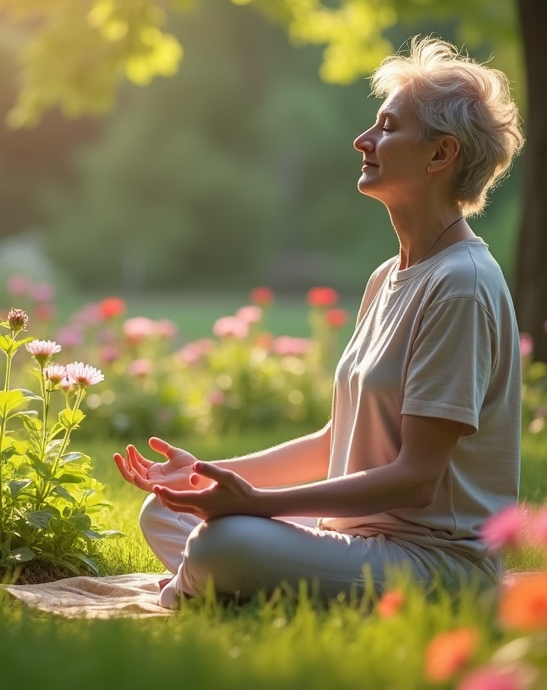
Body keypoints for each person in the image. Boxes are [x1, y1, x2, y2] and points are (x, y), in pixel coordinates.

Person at [114, 36, 525, 608]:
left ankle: (201, 589)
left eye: (387, 126)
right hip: (354, 540)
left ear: (440, 155)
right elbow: (339, 440)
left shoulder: (461, 286)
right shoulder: (389, 276)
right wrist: (209, 475)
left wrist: (253, 506)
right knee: (165, 509)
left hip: (433, 566)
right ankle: (234, 584)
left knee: (222, 543)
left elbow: (417, 477)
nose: (363, 139)